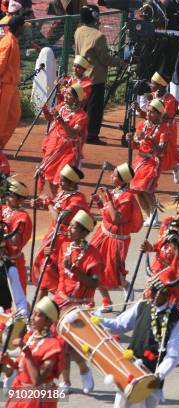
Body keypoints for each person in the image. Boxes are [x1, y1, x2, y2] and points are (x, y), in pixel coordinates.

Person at [100, 261, 179, 408]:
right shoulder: (142, 305)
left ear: (164, 293)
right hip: (130, 369)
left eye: (153, 290)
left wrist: (159, 375)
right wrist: (96, 320)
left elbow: (172, 355)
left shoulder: (175, 319)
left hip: (151, 376)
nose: (148, 293)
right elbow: (119, 325)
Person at [54, 210, 101, 394]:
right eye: (71, 225)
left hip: (79, 306)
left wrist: (75, 270)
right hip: (60, 302)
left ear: (83, 232)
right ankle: (65, 382)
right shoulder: (64, 246)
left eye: (74, 227)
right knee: (61, 346)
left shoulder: (93, 255)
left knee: (71, 347)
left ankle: (83, 368)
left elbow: (94, 282)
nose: (69, 229)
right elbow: (59, 273)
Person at [30, 164, 90, 300]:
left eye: (62, 180)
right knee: (45, 276)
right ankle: (42, 310)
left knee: (53, 275)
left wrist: (48, 203)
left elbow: (59, 218)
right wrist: (39, 204)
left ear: (72, 183)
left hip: (63, 243)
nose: (59, 182)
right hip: (52, 238)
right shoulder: (63, 193)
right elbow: (54, 208)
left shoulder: (77, 200)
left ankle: (63, 301)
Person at [90, 163, 143, 312]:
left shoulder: (128, 198)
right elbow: (106, 214)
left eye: (114, 176)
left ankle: (125, 284)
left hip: (117, 240)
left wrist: (107, 198)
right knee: (95, 267)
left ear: (122, 180)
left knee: (114, 272)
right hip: (102, 235)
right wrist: (99, 202)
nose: (111, 177)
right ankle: (106, 301)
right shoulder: (116, 192)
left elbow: (115, 218)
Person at [2, 297, 64, 408]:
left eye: (38, 315)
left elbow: (37, 381)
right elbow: (15, 372)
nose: (32, 318)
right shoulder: (29, 337)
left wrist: (25, 350)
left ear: (49, 321)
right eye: (33, 314)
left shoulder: (53, 345)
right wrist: (5, 365)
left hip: (39, 399)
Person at [74, 4, 121, 145]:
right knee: (94, 109)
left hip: (81, 77)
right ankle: (92, 135)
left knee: (82, 106)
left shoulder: (78, 31)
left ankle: (80, 131)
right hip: (95, 77)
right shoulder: (99, 36)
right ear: (95, 16)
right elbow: (105, 59)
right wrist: (120, 62)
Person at [39, 84, 88, 197]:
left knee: (62, 176)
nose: (65, 96)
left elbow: (73, 133)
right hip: (54, 146)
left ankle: (64, 202)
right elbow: (50, 118)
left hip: (69, 150)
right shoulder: (61, 107)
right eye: (66, 93)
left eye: (69, 94)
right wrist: (45, 110)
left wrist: (60, 119)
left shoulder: (81, 116)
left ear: (76, 98)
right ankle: (58, 201)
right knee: (50, 176)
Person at [135, 72, 179, 183]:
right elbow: (149, 116)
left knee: (164, 155)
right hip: (153, 127)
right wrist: (139, 110)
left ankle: (175, 166)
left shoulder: (170, 100)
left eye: (153, 83)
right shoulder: (153, 96)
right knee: (153, 153)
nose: (150, 85)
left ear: (161, 85)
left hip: (167, 130)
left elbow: (162, 117)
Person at [128, 99, 171, 226]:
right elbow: (136, 146)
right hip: (140, 160)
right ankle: (149, 216)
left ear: (159, 114)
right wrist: (131, 140)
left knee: (146, 188)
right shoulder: (142, 125)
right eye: (148, 111)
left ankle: (154, 215)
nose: (148, 114)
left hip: (153, 161)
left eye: (152, 112)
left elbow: (161, 149)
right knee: (137, 190)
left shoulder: (164, 129)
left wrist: (146, 137)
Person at [140, 198, 179, 273]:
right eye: (177, 213)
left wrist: (177, 249)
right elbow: (160, 245)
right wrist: (150, 248)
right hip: (156, 268)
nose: (178, 218)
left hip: (173, 274)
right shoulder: (167, 221)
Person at [0, 15, 28, 147]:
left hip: (11, 86)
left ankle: (1, 144)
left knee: (14, 115)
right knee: (2, 118)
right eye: (24, 27)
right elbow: (1, 64)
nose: (25, 30)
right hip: (4, 85)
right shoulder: (8, 42)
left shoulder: (13, 41)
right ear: (19, 27)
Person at [1, 178, 32, 292]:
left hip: (12, 261)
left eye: (10, 194)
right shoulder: (3, 208)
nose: (6, 196)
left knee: (19, 297)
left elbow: (14, 242)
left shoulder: (22, 217)